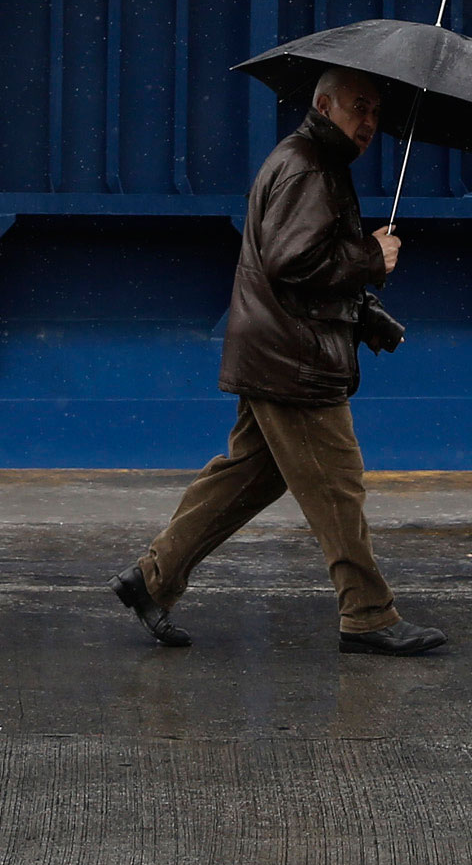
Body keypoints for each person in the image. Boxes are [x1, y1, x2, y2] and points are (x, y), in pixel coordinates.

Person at [113, 67, 447, 656]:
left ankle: (152, 579)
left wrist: (364, 312)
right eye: (357, 107)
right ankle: (368, 615)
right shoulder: (310, 167)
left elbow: (298, 264)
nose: (369, 122)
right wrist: (371, 254)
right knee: (339, 486)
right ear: (323, 104)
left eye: (375, 113)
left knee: (247, 477)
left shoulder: (311, 162)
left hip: (279, 351)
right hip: (296, 364)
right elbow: (294, 264)